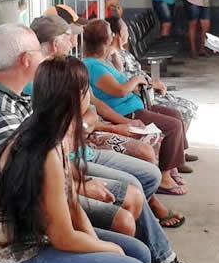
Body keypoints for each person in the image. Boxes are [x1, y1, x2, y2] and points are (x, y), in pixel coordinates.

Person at [0, 23, 206, 263]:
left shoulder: (21, 93)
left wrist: (90, 135)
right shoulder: (1, 111)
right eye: (38, 50)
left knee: (139, 183)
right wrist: (82, 181)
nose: (45, 55)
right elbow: (37, 172)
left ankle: (153, 262)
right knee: (129, 202)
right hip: (30, 205)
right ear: (25, 59)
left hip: (65, 166)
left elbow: (78, 122)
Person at [0, 56, 154, 263]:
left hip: (37, 241)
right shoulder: (41, 147)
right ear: (77, 97)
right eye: (88, 91)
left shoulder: (55, 132)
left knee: (138, 252)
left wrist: (97, 241)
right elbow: (62, 237)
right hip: (11, 260)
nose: (91, 98)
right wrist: (110, 248)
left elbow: (72, 203)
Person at [82, 19, 191, 194]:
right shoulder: (92, 66)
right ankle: (163, 177)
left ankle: (172, 167)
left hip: (136, 105)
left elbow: (121, 78)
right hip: (127, 111)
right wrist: (137, 79)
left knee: (175, 115)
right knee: (173, 126)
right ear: (107, 40)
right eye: (111, 33)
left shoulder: (104, 61)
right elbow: (120, 91)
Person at [107, 15, 198, 130]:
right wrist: (152, 85)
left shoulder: (123, 52)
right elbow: (125, 83)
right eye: (125, 30)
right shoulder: (114, 57)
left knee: (188, 106)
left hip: (148, 91)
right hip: (142, 96)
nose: (128, 33)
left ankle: (177, 142)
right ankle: (173, 141)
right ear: (117, 34)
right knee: (184, 111)